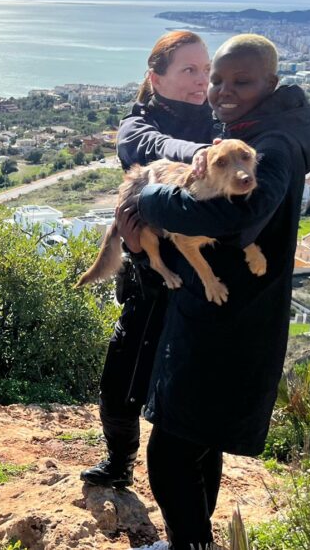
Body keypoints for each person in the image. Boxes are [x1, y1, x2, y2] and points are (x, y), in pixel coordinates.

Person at [118, 34, 310, 548]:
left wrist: (152, 195)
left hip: (228, 320)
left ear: (270, 83)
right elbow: (142, 139)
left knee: (170, 454)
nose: (223, 90)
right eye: (216, 80)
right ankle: (198, 542)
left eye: (241, 81)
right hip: (226, 312)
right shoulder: (258, 129)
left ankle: (189, 544)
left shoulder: (271, 143)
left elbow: (240, 211)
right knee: (198, 445)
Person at [80, 31, 214, 490]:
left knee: (194, 400)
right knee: (122, 380)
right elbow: (152, 148)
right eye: (189, 70)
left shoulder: (222, 124)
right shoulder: (136, 126)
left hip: (202, 282)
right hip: (150, 282)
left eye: (207, 70)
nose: (203, 81)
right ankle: (119, 462)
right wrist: (199, 155)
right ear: (155, 78)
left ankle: (194, 511)